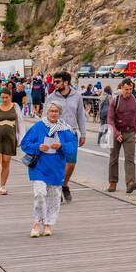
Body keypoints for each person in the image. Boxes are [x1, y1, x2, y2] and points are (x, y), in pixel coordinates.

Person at [21, 101, 78, 237]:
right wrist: (38, 147)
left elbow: (73, 147)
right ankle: (36, 223)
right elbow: (25, 144)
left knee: (53, 198)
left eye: (56, 111)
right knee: (39, 194)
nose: (53, 113)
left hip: (56, 167)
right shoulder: (38, 126)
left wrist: (62, 145)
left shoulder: (65, 129)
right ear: (46, 112)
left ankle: (48, 224)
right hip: (39, 167)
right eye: (51, 111)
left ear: (59, 113)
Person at [43, 71, 87, 202]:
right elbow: (44, 117)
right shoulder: (51, 97)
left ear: (66, 82)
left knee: (71, 162)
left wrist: (83, 133)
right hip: (56, 133)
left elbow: (80, 115)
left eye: (57, 82)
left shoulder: (77, 96)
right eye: (54, 82)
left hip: (71, 133)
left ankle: (64, 184)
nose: (54, 84)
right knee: (57, 163)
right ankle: (57, 189)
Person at [106, 78, 136, 193]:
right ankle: (112, 182)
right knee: (113, 158)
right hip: (116, 132)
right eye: (126, 89)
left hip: (130, 133)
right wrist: (116, 133)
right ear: (121, 88)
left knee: (130, 159)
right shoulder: (115, 100)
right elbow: (110, 119)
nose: (128, 91)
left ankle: (130, 183)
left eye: (130, 89)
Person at [0, 86, 21, 195]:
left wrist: (21, 138)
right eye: (2, 97)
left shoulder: (15, 107)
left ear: (10, 96)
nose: (4, 100)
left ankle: (3, 185)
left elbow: (20, 123)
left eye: (6, 97)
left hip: (10, 137)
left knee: (6, 162)